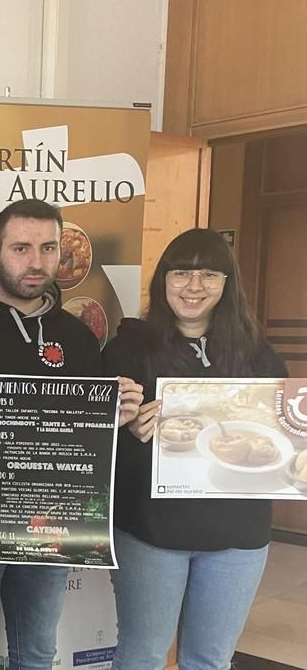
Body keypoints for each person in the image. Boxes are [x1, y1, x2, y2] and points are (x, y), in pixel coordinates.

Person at [0, 199, 142, 670]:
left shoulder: (79, 337)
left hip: (53, 518)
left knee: (38, 652)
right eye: (21, 247)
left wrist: (114, 417)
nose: (36, 261)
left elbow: (85, 433)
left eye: (47, 248)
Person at [103, 229, 286, 669]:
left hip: (238, 536)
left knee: (211, 659)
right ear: (163, 280)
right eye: (181, 273)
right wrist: (128, 432)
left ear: (228, 284)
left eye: (209, 275)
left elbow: (280, 433)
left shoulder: (257, 353)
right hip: (151, 533)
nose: (194, 286)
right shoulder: (128, 348)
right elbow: (92, 444)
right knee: (142, 655)